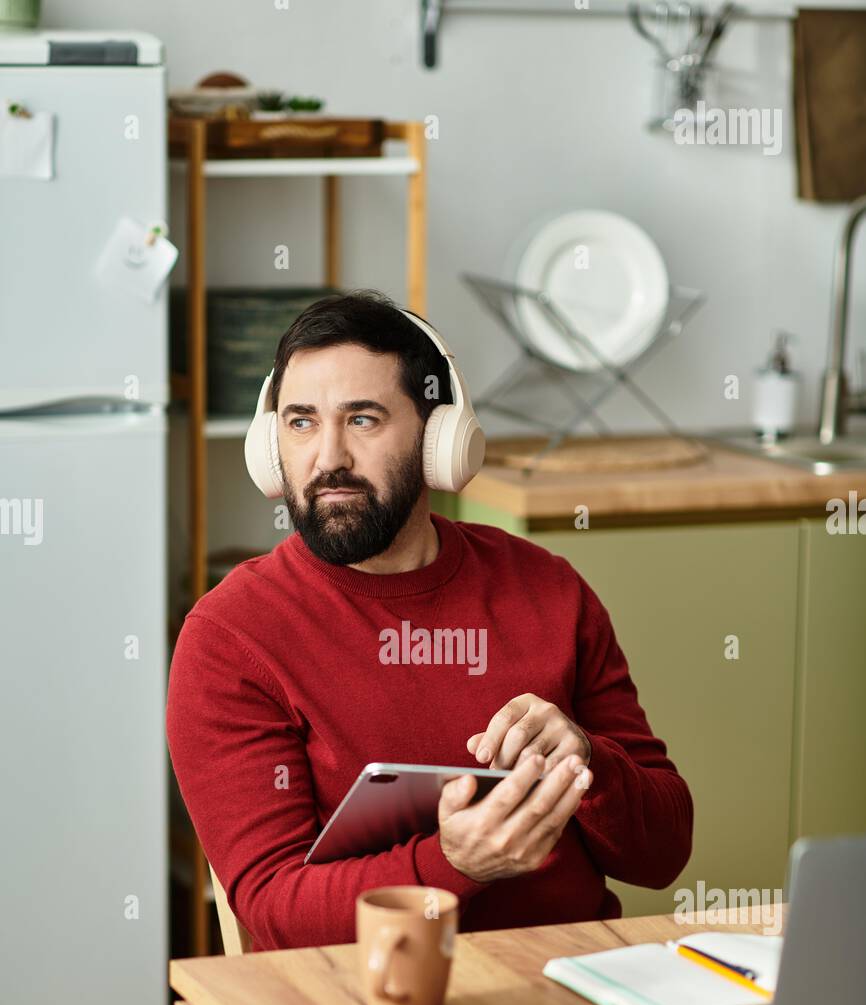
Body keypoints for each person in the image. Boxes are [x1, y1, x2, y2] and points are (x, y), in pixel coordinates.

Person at [166, 290, 692, 949]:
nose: (328, 458)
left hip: (573, 982)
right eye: (300, 422)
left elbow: (664, 852)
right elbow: (275, 908)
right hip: (366, 999)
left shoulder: (549, 589)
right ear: (271, 448)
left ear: (440, 436)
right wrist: (455, 866)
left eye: (362, 419)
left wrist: (590, 763)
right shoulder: (231, 638)